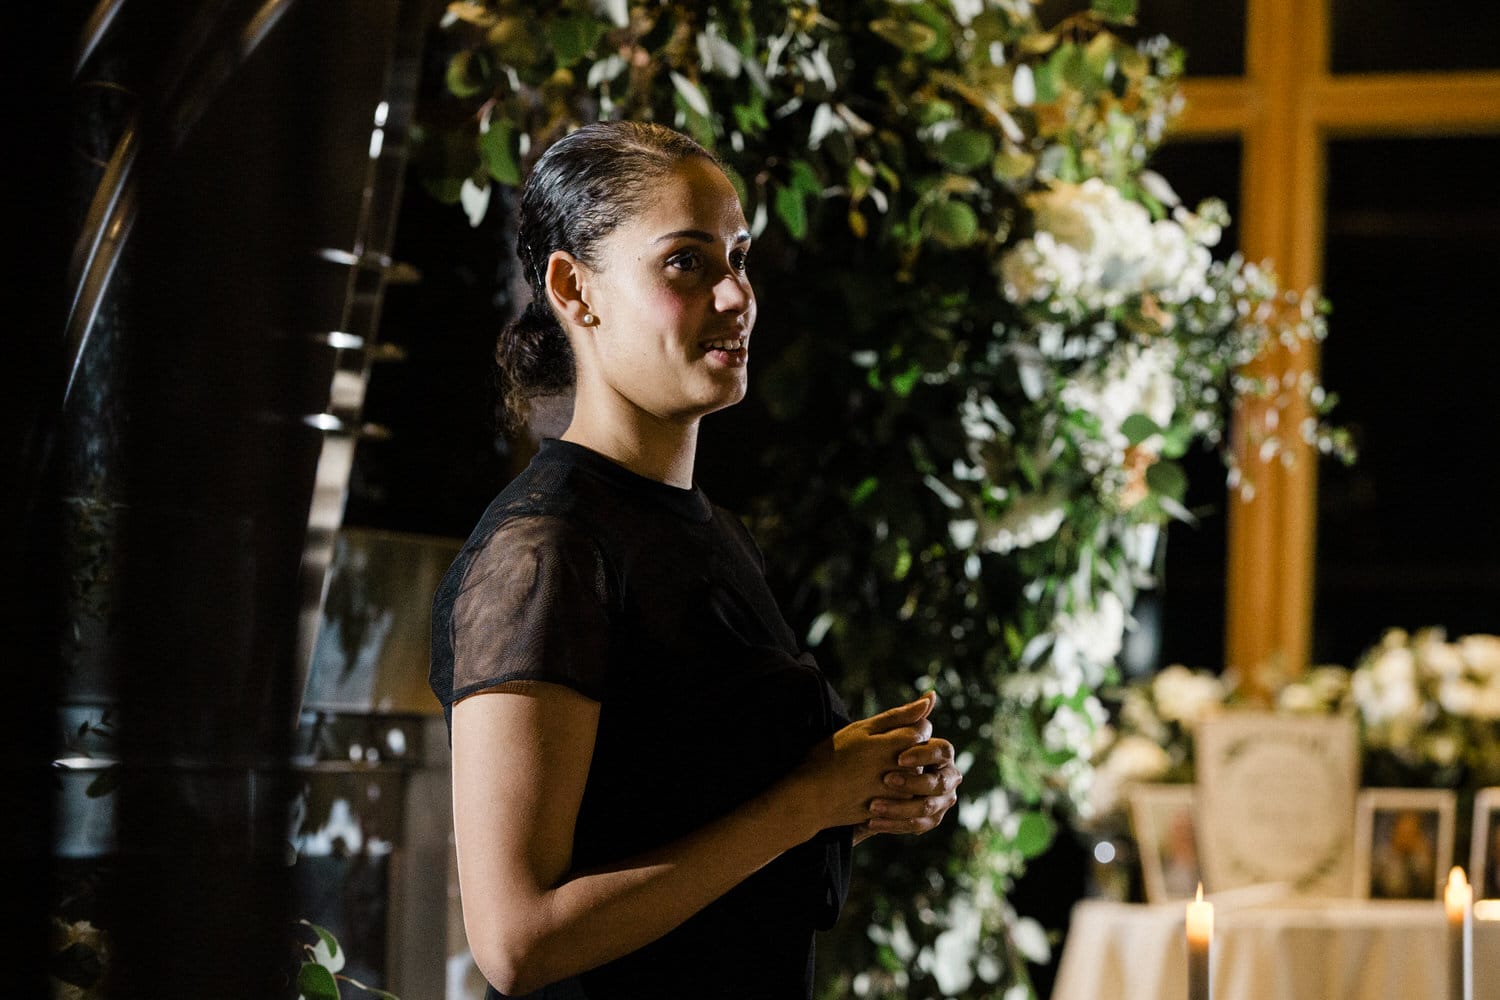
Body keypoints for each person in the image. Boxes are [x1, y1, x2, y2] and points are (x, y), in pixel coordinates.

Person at [429, 120, 964, 1000]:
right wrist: (805, 804)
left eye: (740, 257)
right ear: (575, 288)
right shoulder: (546, 552)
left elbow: (673, 817)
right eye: (687, 262)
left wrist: (859, 794)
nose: (735, 295)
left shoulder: (706, 529)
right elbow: (517, 943)